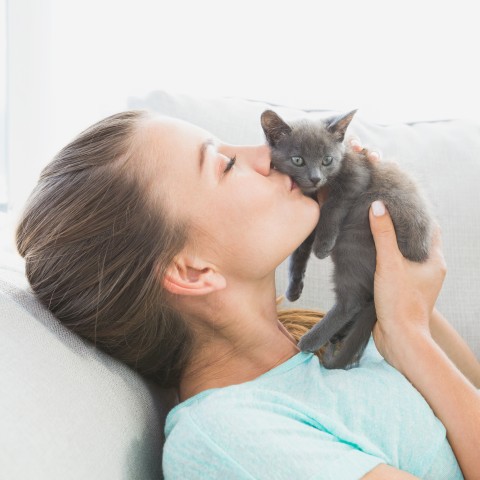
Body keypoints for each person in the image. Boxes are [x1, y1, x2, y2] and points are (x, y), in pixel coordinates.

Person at [16, 110, 480, 479]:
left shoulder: (326, 337)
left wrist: (392, 281)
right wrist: (410, 335)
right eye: (226, 164)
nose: (267, 155)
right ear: (194, 271)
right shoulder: (228, 439)